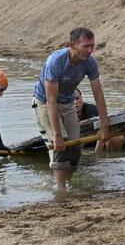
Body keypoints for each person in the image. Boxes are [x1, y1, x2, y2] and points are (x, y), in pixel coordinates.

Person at [33, 28, 112, 191]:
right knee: (61, 143)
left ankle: (67, 184)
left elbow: (98, 92)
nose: (90, 51)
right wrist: (56, 134)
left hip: (67, 102)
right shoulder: (56, 61)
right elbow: (51, 101)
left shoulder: (90, 62)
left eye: (92, 46)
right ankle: (60, 189)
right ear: (71, 45)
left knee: (75, 146)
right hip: (44, 102)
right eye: (85, 46)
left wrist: (105, 126)